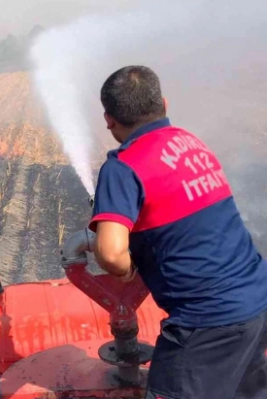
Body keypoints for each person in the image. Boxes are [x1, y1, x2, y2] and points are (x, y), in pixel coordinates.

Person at [88, 65, 267, 399]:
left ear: (109, 119)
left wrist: (128, 271)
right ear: (164, 104)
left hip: (208, 322)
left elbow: (111, 253)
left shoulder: (122, 167)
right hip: (257, 300)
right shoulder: (190, 142)